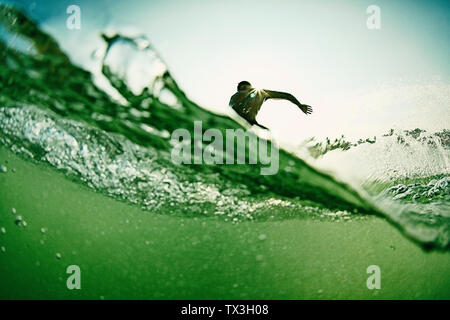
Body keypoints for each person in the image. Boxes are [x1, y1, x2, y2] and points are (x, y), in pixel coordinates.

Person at [229, 80, 313, 129]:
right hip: (236, 121)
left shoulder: (261, 93)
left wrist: (299, 105)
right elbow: (231, 108)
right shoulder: (236, 96)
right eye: (243, 89)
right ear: (239, 90)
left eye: (249, 89)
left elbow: (286, 95)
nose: (247, 91)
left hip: (250, 123)